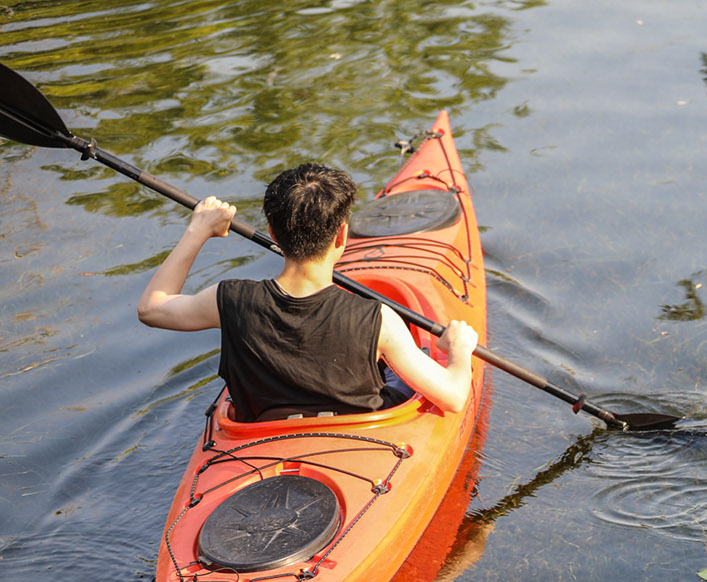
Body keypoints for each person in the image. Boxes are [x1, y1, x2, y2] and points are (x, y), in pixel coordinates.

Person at [136, 163, 477, 422]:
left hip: (258, 433)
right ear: (342, 236)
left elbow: (152, 308)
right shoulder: (378, 320)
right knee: (415, 354)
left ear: (272, 231)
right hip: (357, 431)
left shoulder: (228, 300)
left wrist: (198, 230)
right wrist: (460, 351)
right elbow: (453, 398)